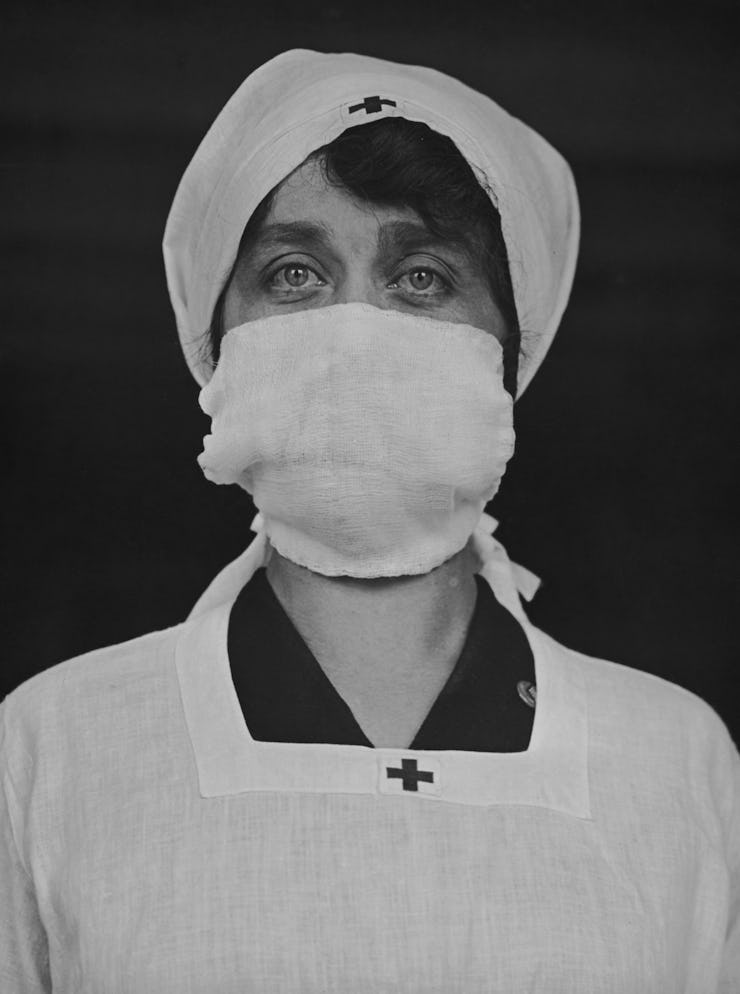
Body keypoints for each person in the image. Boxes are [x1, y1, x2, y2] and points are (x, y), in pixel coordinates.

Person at [1, 49, 737, 993]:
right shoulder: (55, 746)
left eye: (423, 277)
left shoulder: (675, 761)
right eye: (296, 273)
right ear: (217, 348)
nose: (355, 328)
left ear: (506, 359)